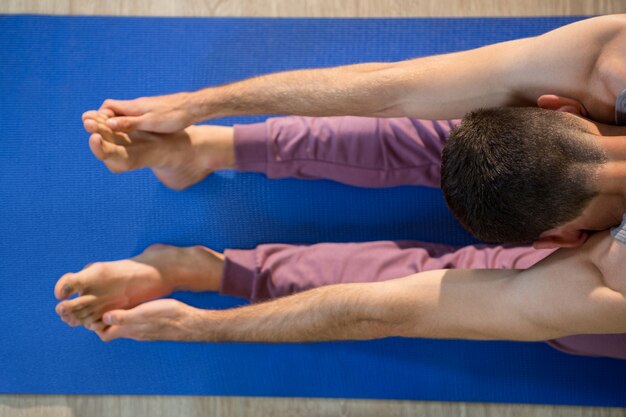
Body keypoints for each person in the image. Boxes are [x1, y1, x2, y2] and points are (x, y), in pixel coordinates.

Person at [54, 14, 626, 358]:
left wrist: (202, 99)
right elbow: (383, 314)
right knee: (489, 161)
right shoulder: (606, 280)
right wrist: (194, 327)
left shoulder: (609, 54)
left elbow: (389, 90)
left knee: (508, 276)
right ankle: (207, 159)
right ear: (564, 239)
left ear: (563, 107)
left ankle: (204, 251)